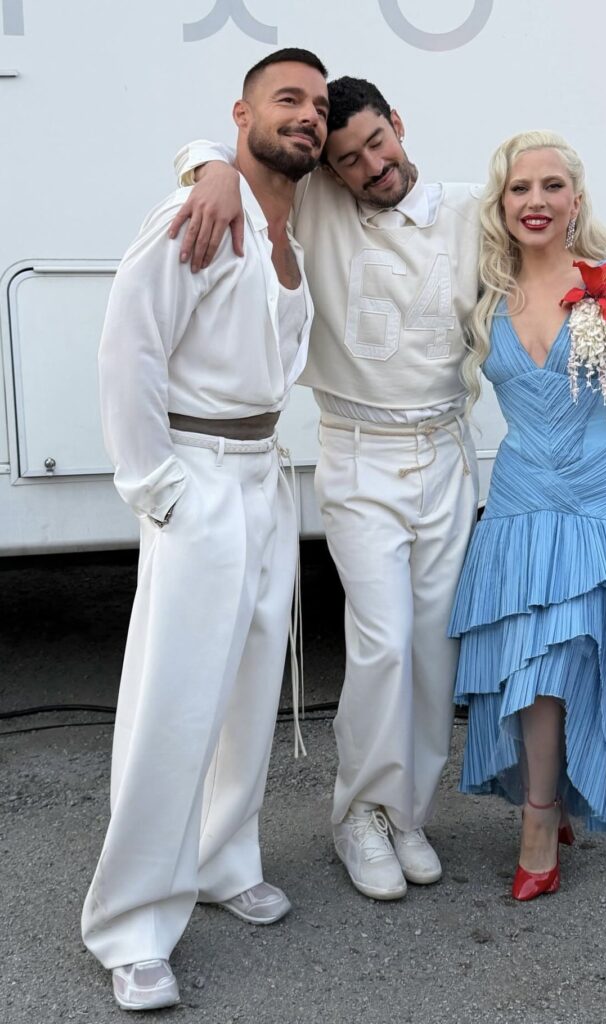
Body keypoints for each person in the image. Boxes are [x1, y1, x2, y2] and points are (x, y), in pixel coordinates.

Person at [169, 87, 606, 902]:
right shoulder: (318, 200)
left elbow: (557, 247)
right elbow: (237, 160)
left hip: (446, 454)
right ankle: (358, 814)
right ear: (331, 168)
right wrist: (205, 165)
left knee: (433, 649)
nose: (370, 166)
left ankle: (407, 813)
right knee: (383, 643)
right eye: (348, 158)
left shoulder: (472, 212)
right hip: (360, 454)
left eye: (377, 143)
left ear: (399, 126)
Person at [82, 48, 328, 1010]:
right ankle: (133, 925)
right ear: (240, 113)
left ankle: (225, 860)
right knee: (174, 705)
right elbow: (129, 349)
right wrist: (156, 488)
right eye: (286, 99)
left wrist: (214, 163)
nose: (306, 116)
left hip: (264, 477)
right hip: (199, 477)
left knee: (249, 689)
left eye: (317, 105)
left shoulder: (287, 226)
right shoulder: (197, 211)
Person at [449, 130, 606, 900]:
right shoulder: (484, 292)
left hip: (597, 495)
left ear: (575, 200)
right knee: (531, 663)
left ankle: (541, 822)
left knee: (570, 658)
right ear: (502, 203)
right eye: (520, 188)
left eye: (551, 186)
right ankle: (552, 797)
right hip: (522, 498)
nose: (536, 201)